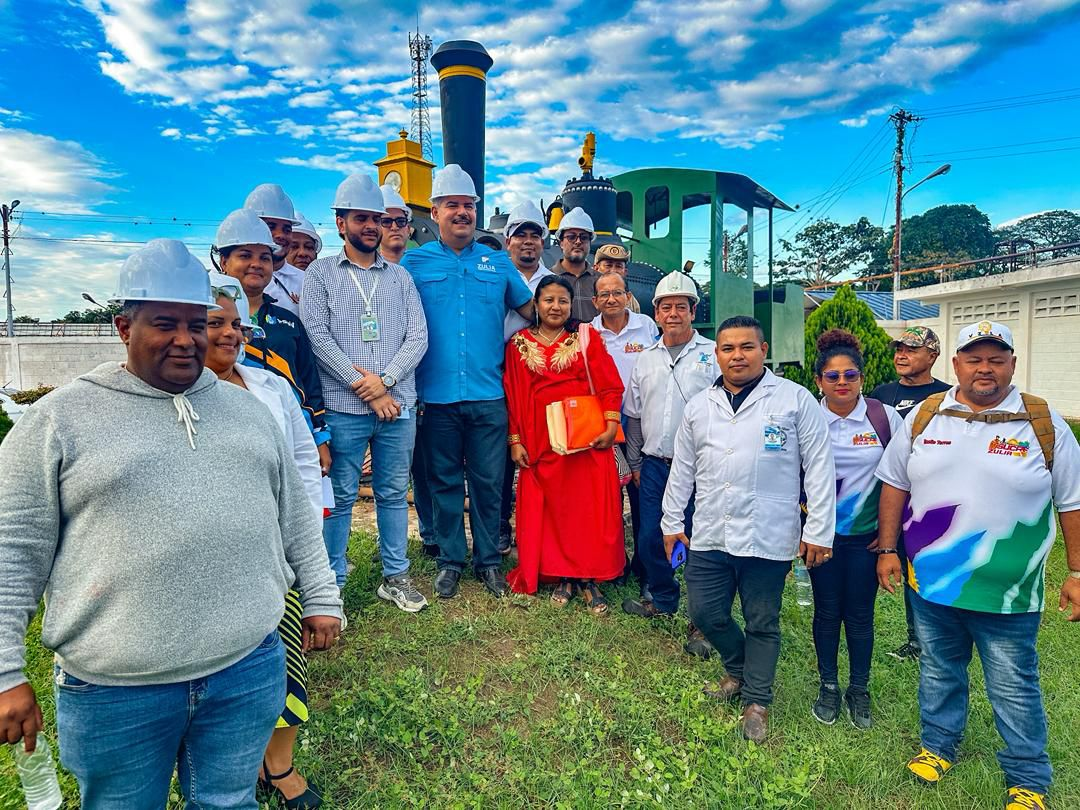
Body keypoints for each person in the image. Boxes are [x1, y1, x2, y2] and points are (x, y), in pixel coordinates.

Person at [0, 239, 341, 809]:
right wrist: (6, 670)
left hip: (246, 668)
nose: (185, 339)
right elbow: (13, 551)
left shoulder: (248, 412)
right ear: (122, 327)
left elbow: (294, 517)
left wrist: (323, 596)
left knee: (228, 802)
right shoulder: (58, 421)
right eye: (165, 324)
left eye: (195, 324)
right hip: (116, 690)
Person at [874, 320, 1080, 810]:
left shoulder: (1042, 421)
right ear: (956, 365)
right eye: (974, 358)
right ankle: (938, 746)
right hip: (932, 583)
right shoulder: (926, 415)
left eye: (996, 358)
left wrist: (1076, 572)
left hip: (1009, 592)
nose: (984, 368)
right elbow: (894, 484)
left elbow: (1072, 502)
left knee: (1012, 683)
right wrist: (886, 551)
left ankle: (1028, 777)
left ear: (1011, 364)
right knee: (940, 670)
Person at [662, 315, 835, 744]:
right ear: (716, 354)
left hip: (768, 533)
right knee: (706, 613)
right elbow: (683, 469)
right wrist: (671, 522)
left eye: (746, 347)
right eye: (727, 348)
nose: (736, 356)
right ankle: (738, 670)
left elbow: (818, 468)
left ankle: (757, 699)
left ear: (764, 350)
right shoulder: (701, 405)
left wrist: (818, 530)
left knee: (762, 619)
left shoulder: (795, 401)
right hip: (710, 532)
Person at [204, 275, 327, 808]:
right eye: (216, 324)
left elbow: (302, 455)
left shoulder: (271, 383)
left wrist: (305, 529)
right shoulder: (175, 396)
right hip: (211, 560)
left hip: (277, 549)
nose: (231, 335)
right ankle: (230, 762)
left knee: (284, 660)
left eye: (237, 324)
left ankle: (278, 763)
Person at [401, 164, 534, 599]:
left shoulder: (497, 262)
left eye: (469, 206)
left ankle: (490, 562)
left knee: (488, 480)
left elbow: (535, 313)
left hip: (488, 394)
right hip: (434, 395)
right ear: (435, 212)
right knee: (441, 480)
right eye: (453, 205)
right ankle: (450, 560)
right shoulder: (415, 262)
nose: (462, 213)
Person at [302, 174, 429, 613]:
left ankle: (395, 576)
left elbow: (418, 337)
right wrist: (370, 391)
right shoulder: (320, 275)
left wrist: (387, 382)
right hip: (343, 409)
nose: (372, 226)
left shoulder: (400, 278)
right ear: (341, 223)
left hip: (399, 405)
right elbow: (317, 338)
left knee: (394, 493)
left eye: (377, 219)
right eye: (362, 218)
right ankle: (331, 585)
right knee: (339, 497)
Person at [504, 276, 625, 611]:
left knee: (586, 511)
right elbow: (513, 396)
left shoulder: (586, 338)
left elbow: (610, 385)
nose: (555, 307)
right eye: (548, 300)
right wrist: (515, 441)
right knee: (553, 511)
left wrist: (611, 426)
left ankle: (587, 578)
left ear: (572, 305)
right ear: (536, 305)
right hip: (540, 439)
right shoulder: (518, 344)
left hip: (584, 438)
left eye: (563, 301)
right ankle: (563, 576)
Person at [808, 329, 903, 730]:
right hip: (822, 538)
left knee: (861, 615)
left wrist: (889, 543)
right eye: (833, 376)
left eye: (850, 375)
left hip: (868, 540)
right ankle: (828, 685)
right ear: (819, 381)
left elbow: (902, 479)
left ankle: (858, 689)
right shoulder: (808, 417)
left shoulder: (884, 418)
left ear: (862, 378)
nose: (842, 383)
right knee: (827, 612)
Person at [622, 272, 716, 630]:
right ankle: (662, 598)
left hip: (700, 468)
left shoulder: (712, 355)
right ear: (656, 314)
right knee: (649, 537)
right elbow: (633, 415)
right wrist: (635, 462)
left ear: (693, 311)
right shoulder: (645, 358)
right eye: (665, 307)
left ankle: (701, 616)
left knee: (698, 542)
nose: (673, 313)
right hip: (654, 465)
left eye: (681, 306)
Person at [213, 208, 333, 476]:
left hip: (289, 430)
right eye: (245, 256)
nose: (256, 264)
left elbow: (307, 380)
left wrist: (319, 436)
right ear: (224, 261)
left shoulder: (288, 321)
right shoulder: (203, 318)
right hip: (229, 434)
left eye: (264, 257)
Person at [869, 325, 949, 662]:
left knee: (922, 573)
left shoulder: (947, 397)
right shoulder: (879, 394)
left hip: (927, 502)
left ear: (932, 356)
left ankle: (925, 642)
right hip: (885, 497)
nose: (901, 354)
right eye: (899, 348)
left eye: (911, 349)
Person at [590, 271, 658, 593]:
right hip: (608, 425)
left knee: (642, 493)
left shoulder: (646, 327)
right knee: (610, 496)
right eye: (604, 295)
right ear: (595, 301)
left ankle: (646, 565)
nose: (611, 299)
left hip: (643, 422)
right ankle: (614, 562)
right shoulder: (589, 333)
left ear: (628, 295)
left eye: (617, 293)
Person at [500, 200, 554, 554]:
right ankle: (502, 524)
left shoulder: (551, 281)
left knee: (546, 454)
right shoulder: (494, 273)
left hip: (545, 379)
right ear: (508, 241)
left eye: (535, 235)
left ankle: (547, 525)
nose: (528, 242)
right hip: (502, 372)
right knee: (502, 455)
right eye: (521, 235)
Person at [244, 183, 305, 316]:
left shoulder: (306, 281)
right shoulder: (222, 280)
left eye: (287, 229)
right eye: (270, 226)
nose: (280, 235)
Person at [551, 207, 600, 322]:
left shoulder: (600, 280)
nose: (578, 242)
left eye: (584, 237)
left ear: (589, 243)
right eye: (571, 237)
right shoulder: (548, 277)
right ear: (561, 242)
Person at [593, 243, 641, 313]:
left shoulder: (631, 301)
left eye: (618, 266)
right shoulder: (584, 292)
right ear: (596, 268)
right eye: (608, 265)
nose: (613, 271)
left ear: (625, 272)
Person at [379, 184, 412, 265]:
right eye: (386, 222)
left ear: (408, 229)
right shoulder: (366, 271)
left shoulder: (425, 265)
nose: (394, 227)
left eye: (400, 221)